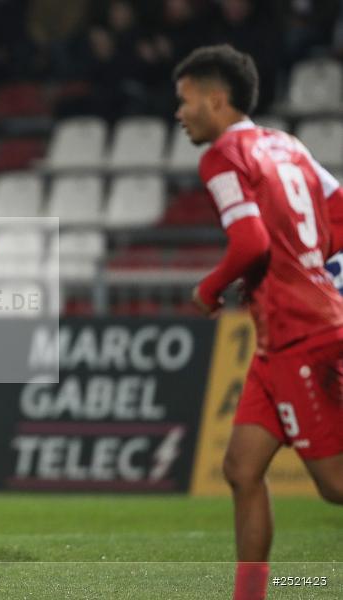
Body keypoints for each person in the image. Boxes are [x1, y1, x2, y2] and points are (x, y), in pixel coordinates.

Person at [174, 45, 343, 600]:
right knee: (242, 468)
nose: (180, 113)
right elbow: (337, 208)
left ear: (215, 100)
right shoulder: (288, 145)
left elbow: (250, 241)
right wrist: (315, 264)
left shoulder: (223, 155)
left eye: (186, 101)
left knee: (336, 487)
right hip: (281, 340)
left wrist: (209, 286)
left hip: (300, 334)